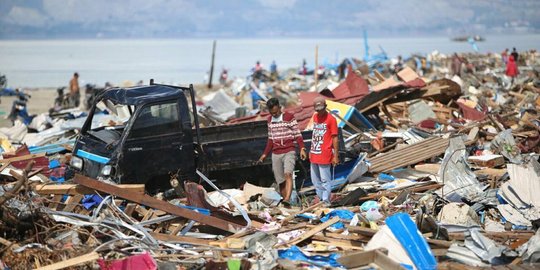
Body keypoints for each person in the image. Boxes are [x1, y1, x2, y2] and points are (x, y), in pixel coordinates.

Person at [258, 98, 307, 203]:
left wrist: (302, 148)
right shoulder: (270, 120)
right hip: (276, 153)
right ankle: (286, 202)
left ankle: (287, 198)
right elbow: (271, 139)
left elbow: (297, 134)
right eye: (272, 113)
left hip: (289, 150)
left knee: (288, 173)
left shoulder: (289, 117)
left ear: (280, 108)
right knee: (280, 180)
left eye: (276, 112)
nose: (274, 115)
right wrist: (264, 154)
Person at [309, 97, 339, 205]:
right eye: (317, 110)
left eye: (321, 109)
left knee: (325, 180)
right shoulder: (315, 117)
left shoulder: (331, 119)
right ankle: (320, 198)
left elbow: (335, 137)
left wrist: (336, 155)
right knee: (315, 179)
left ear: (325, 107)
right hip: (314, 152)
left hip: (325, 153)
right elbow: (315, 134)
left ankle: (326, 201)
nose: (319, 112)